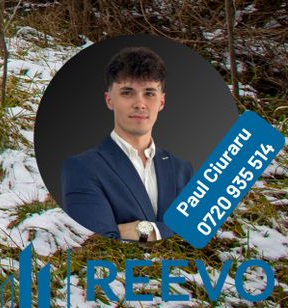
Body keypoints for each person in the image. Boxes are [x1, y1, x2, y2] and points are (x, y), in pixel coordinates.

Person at [61, 46, 195, 241]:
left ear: (161, 102)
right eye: (127, 93)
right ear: (109, 100)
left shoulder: (182, 169)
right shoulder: (81, 168)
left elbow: (195, 233)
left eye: (149, 93)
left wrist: (144, 230)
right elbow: (98, 240)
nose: (139, 104)